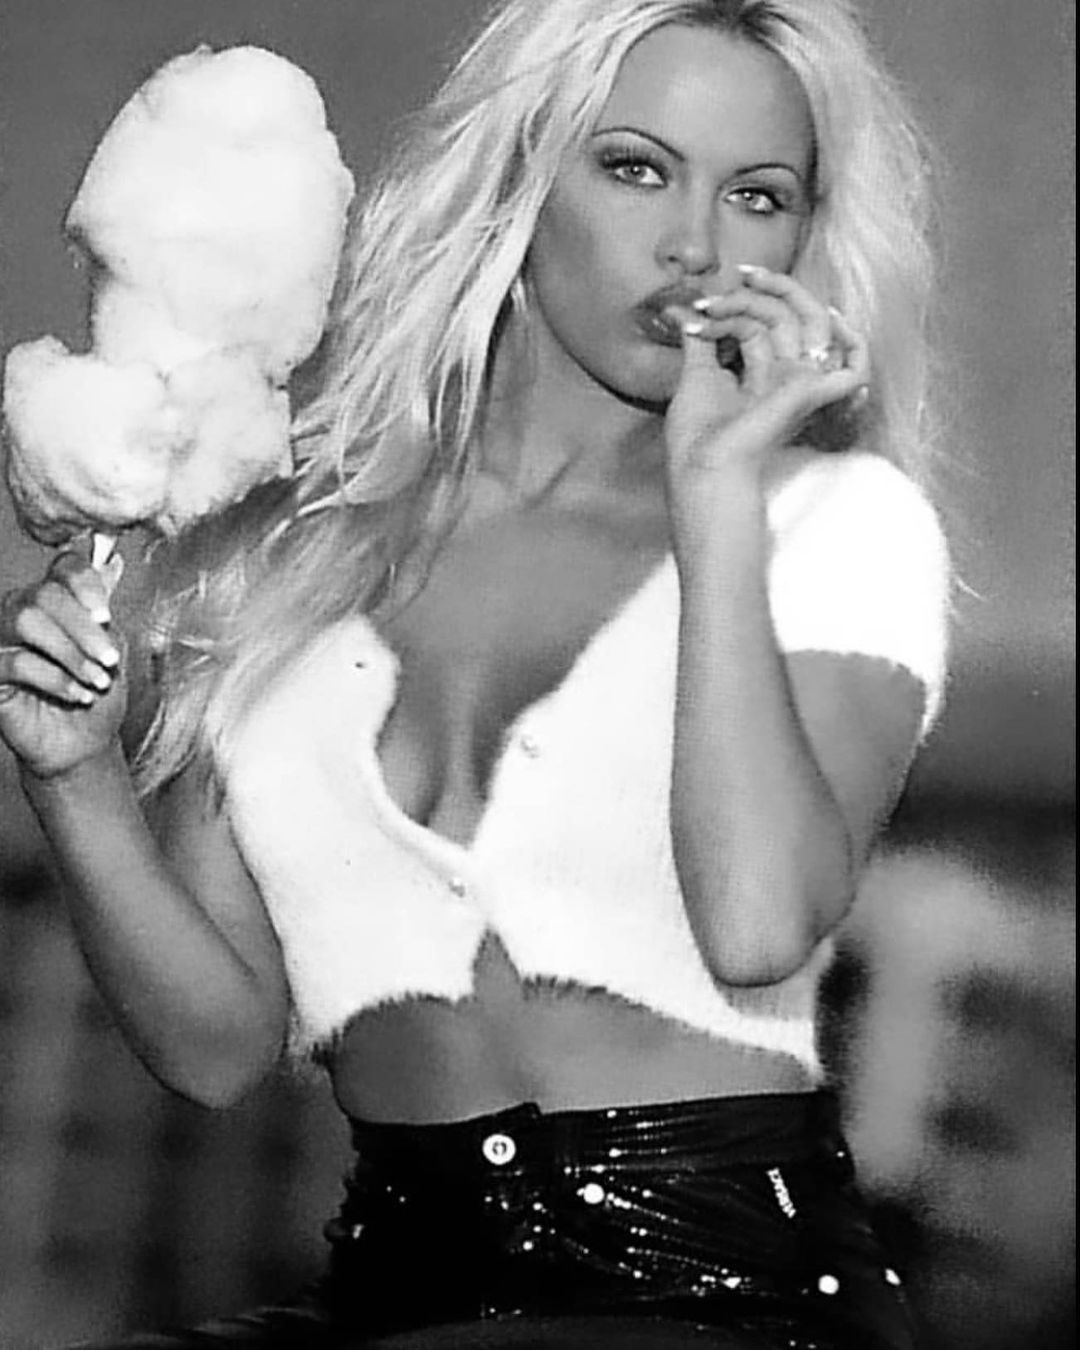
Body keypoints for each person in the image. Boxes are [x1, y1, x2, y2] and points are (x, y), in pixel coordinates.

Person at [0, 0, 951, 1345]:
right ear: (521, 175)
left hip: (721, 1295)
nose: (696, 244)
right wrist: (75, 774)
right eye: (636, 169)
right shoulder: (281, 548)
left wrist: (716, 500)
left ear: (805, 237)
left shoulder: (834, 524)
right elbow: (214, 1047)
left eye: (758, 196)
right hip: (394, 1286)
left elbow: (756, 923)